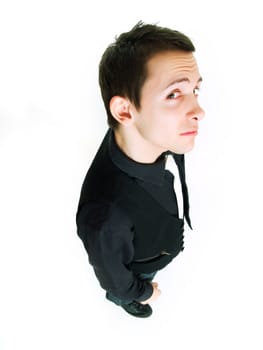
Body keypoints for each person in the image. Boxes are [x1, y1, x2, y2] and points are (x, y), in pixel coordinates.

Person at [76, 21, 205, 318]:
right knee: (123, 291)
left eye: (195, 90)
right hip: (141, 265)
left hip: (154, 224)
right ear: (124, 111)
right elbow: (113, 275)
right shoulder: (106, 214)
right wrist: (142, 291)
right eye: (174, 94)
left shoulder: (138, 134)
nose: (199, 110)